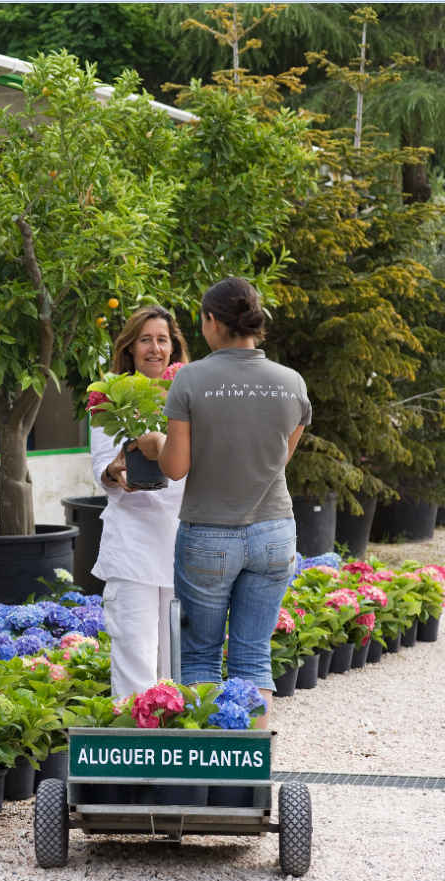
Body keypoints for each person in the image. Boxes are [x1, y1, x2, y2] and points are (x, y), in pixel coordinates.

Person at [136, 277, 310, 728]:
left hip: (208, 537)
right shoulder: (291, 383)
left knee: (200, 659)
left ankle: (207, 771)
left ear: (212, 322)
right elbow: (278, 460)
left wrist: (154, 443)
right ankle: (252, 769)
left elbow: (175, 468)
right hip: (274, 532)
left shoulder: (192, 378)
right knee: (253, 658)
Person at [91, 305, 190, 698]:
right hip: (132, 547)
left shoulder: (191, 395)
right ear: (130, 348)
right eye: (145, 339)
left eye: (162, 340)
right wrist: (115, 472)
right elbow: (102, 466)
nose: (154, 348)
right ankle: (134, 749)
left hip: (183, 543)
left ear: (173, 348)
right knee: (134, 662)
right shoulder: (108, 398)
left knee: (177, 669)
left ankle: (175, 751)